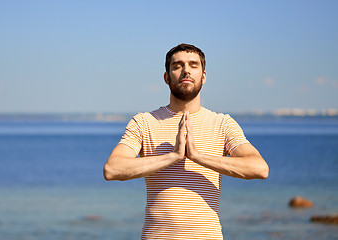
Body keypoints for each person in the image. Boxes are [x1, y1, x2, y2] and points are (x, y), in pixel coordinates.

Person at [103, 43, 269, 239]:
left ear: (204, 76)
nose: (186, 70)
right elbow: (112, 169)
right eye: (177, 65)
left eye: (193, 65)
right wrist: (173, 156)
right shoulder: (144, 122)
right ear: (166, 77)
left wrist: (197, 156)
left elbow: (259, 168)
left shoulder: (222, 123)